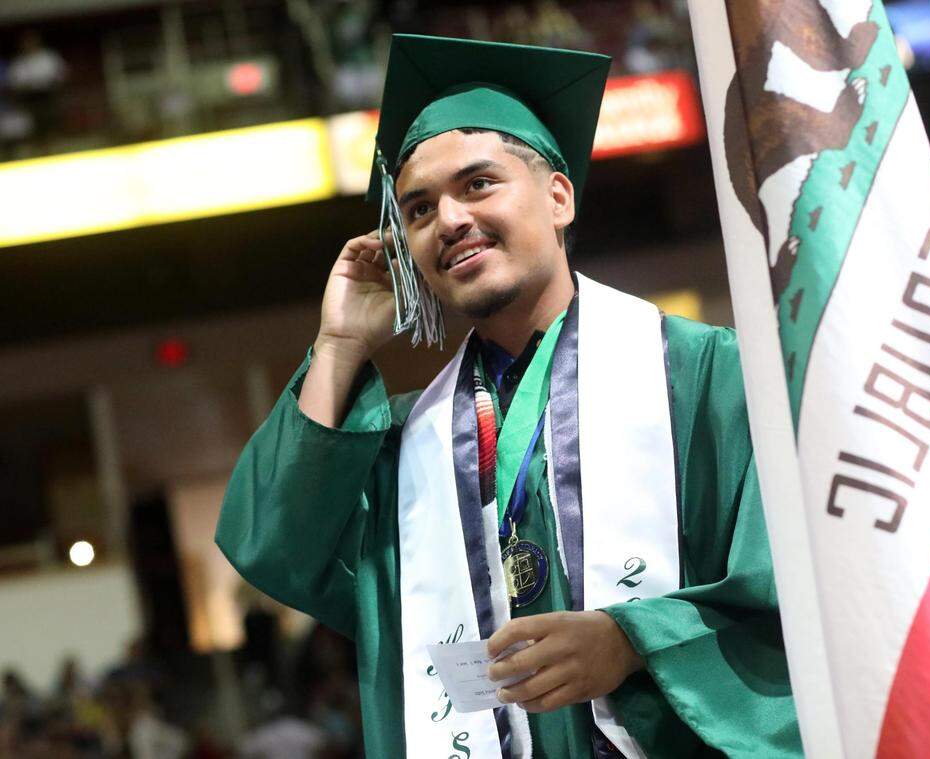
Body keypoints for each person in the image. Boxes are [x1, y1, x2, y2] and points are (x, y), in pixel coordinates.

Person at [216, 34, 801, 758]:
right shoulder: (409, 447)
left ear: (558, 196)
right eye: (419, 209)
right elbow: (275, 546)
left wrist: (635, 640)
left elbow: (793, 596)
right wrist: (339, 345)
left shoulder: (707, 377)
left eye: (478, 184)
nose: (449, 220)